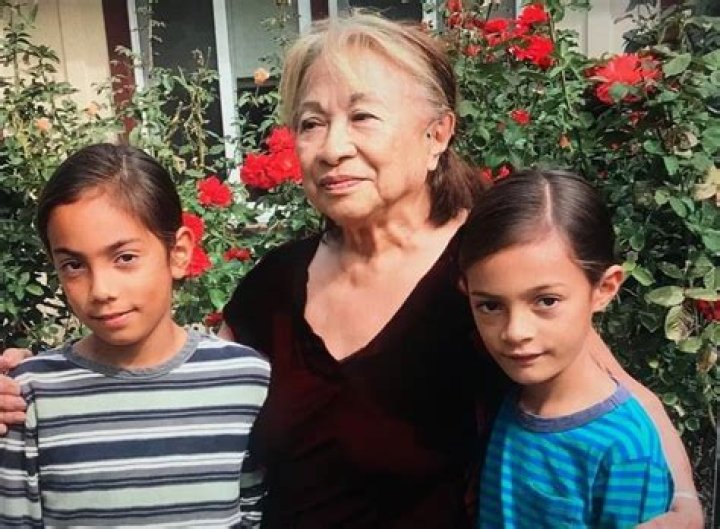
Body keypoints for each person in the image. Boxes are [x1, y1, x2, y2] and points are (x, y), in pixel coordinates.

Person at [0, 13, 703, 529]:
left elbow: (609, 390)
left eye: (362, 117)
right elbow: (173, 379)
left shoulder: (490, 269)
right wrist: (28, 387)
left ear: (437, 134)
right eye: (311, 123)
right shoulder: (273, 287)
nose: (332, 147)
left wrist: (684, 502)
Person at [0, 143, 270, 527]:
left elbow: (254, 514)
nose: (101, 290)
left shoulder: (244, 380)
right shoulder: (28, 395)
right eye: (74, 265)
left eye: (124, 258)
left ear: (178, 253)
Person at [459, 170, 673, 528]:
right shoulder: (505, 400)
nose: (515, 332)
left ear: (604, 288)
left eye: (546, 301)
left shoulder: (625, 452)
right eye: (490, 306)